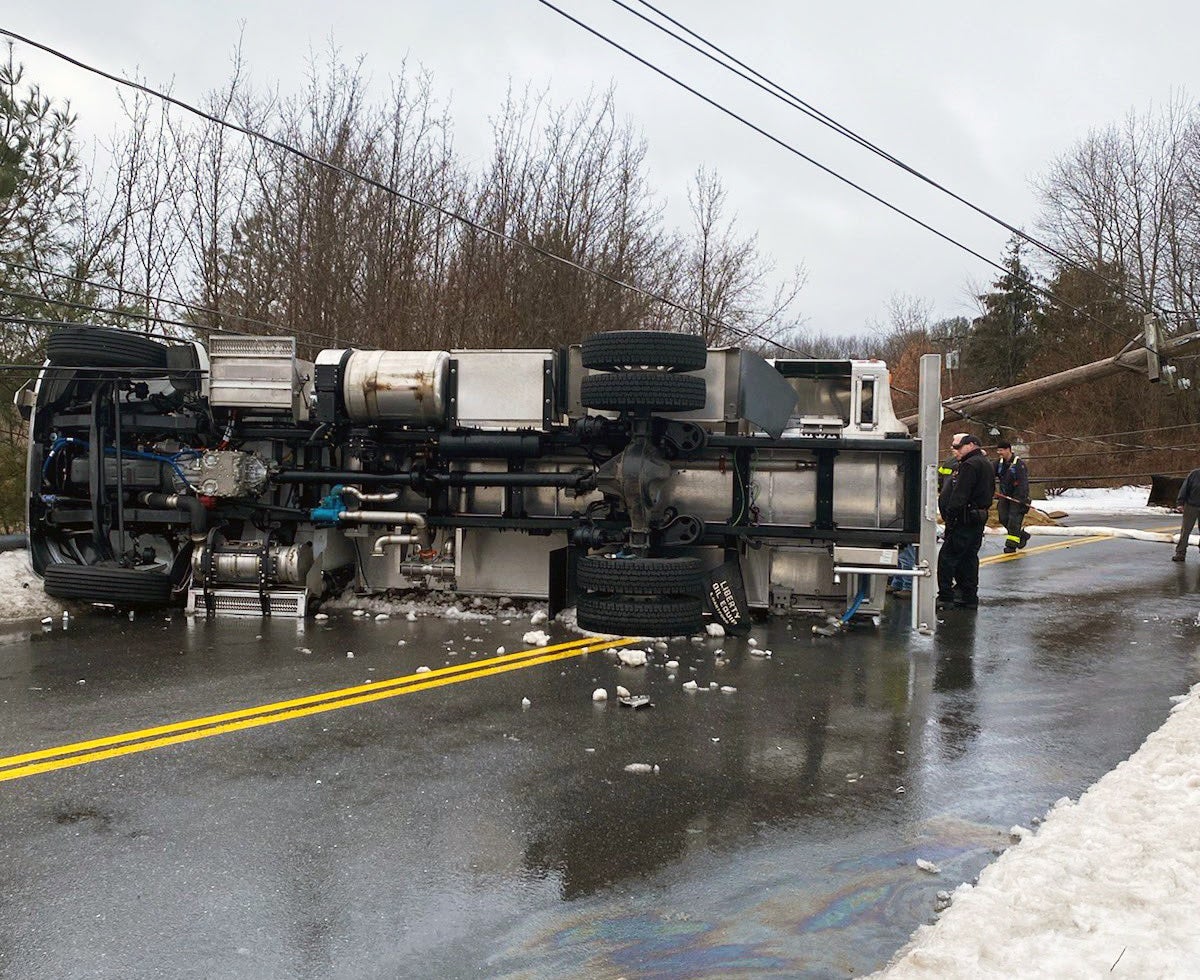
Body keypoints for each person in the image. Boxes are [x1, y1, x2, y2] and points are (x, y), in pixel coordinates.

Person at [937, 433, 996, 609]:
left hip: (964, 519)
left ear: (970, 445)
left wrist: (951, 518)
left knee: (947, 558)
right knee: (968, 559)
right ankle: (967, 594)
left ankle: (946, 597)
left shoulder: (970, 465)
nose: (955, 450)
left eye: (958, 447)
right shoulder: (984, 463)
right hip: (976, 518)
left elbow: (960, 495)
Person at [993, 441, 1031, 554]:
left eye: (1002, 450)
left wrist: (1021, 499)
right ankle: (1022, 535)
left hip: (1018, 498)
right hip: (1004, 496)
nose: (999, 453)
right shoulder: (998, 464)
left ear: (1008, 450)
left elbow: (1023, 483)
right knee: (1003, 518)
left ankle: (1011, 546)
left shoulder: (1019, 464)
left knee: (1014, 521)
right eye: (998, 450)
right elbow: (990, 475)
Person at [1172, 465, 1200, 561]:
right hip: (1191, 506)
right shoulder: (1194, 474)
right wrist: (1180, 502)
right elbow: (1184, 488)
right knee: (1186, 531)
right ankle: (1180, 552)